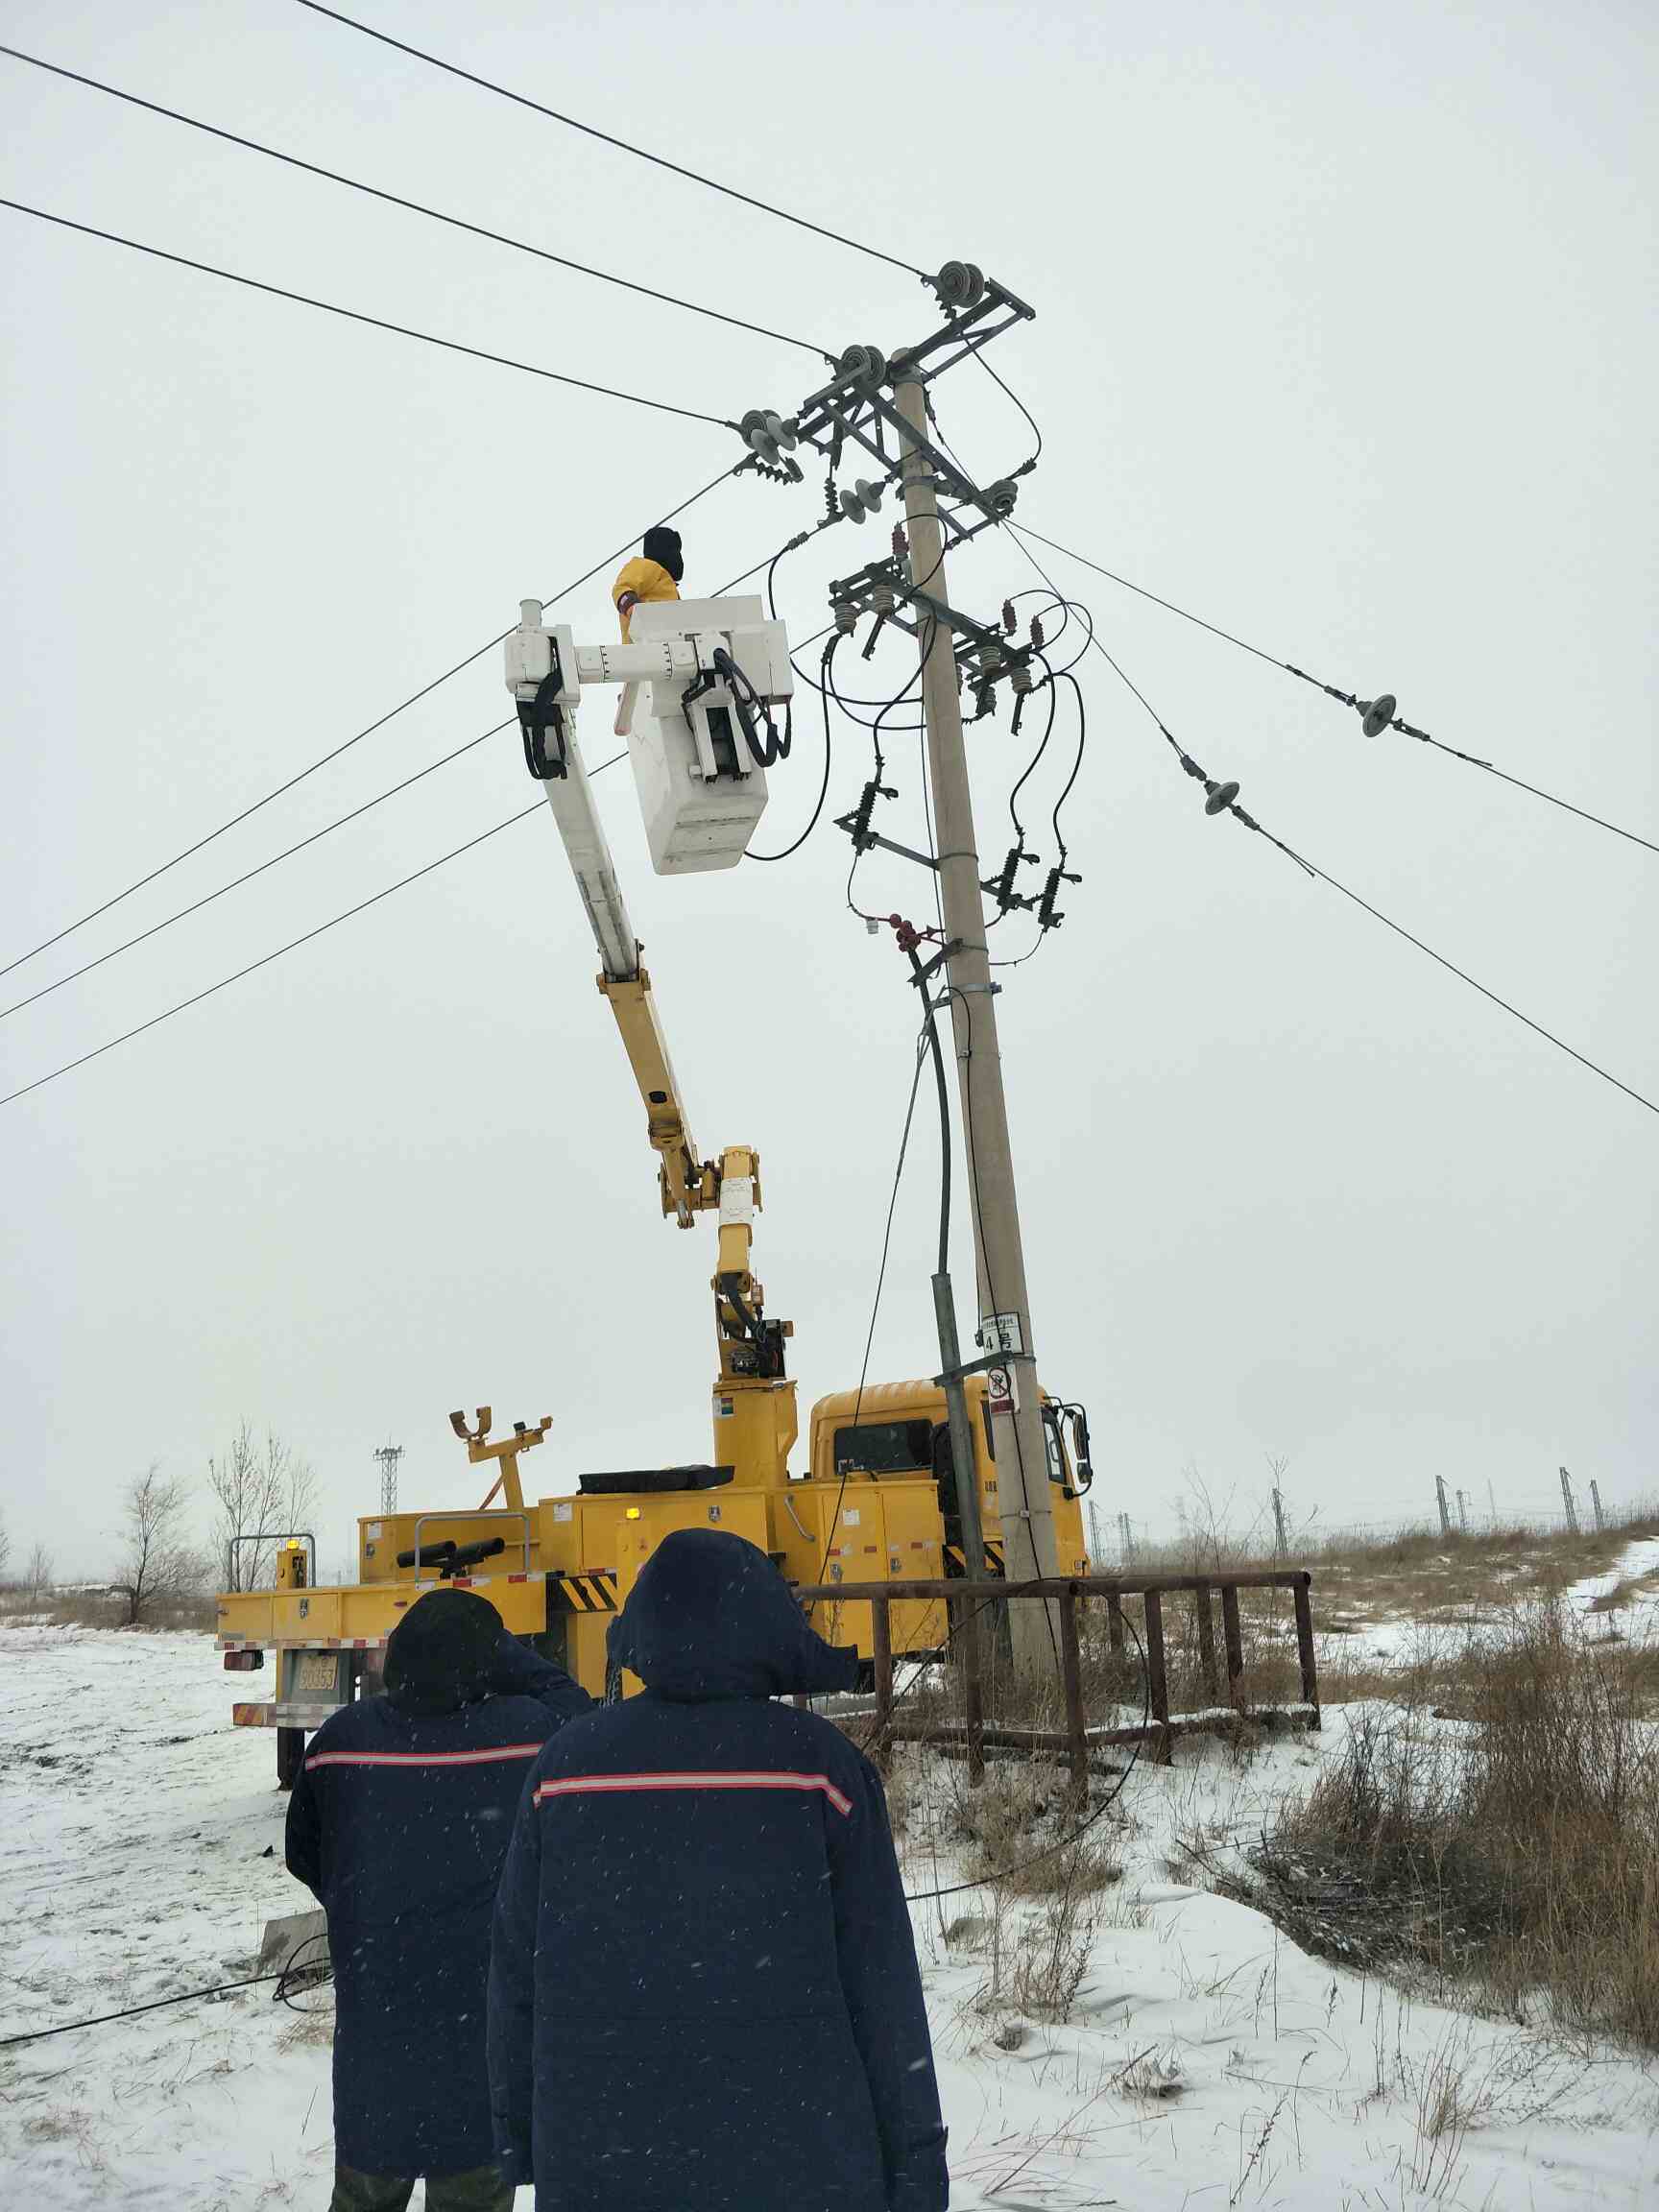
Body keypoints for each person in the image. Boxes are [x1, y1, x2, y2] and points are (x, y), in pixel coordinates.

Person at [487, 1527, 949, 2212]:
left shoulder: (565, 1768)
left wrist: (517, 2135)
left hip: (602, 2157)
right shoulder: (821, 1770)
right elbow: (881, 1982)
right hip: (801, 2159)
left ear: (641, 1627)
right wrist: (913, 2166)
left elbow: (514, 1967)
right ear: (767, 1625)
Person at [286, 1587, 591, 2212]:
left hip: (377, 2050)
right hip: (481, 2055)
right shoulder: (527, 1733)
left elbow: (306, 1854)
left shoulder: (343, 1740)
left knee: (364, 2195)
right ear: (487, 1659)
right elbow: (579, 1711)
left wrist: (368, 1906)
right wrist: (506, 1655)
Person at [611, 525, 685, 733]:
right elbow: (621, 589)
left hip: (667, 657)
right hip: (646, 651)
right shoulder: (646, 567)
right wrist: (633, 608)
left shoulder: (668, 587)